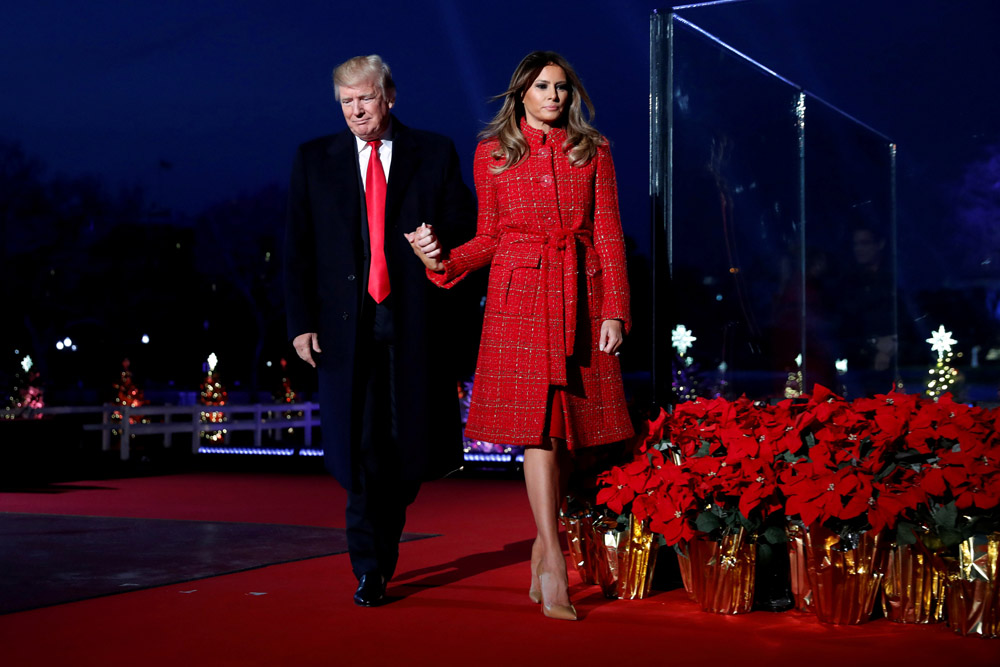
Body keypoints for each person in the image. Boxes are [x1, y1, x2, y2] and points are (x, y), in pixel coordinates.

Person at [406, 51, 634, 621]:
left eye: (561, 87)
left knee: (565, 433)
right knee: (538, 429)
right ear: (521, 94)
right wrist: (443, 262)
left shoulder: (593, 151)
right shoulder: (494, 153)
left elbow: (609, 233)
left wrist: (615, 311)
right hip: (519, 298)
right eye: (542, 87)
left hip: (580, 296)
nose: (553, 96)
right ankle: (553, 556)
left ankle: (539, 547)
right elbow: (488, 237)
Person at [284, 54, 475, 607]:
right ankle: (371, 567)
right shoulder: (313, 160)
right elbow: (296, 249)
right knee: (362, 449)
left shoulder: (434, 152)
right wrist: (300, 325)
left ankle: (386, 531)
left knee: (406, 452)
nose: (355, 110)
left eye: (364, 98)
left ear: (389, 96)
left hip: (414, 323)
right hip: (346, 329)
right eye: (345, 101)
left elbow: (465, 226)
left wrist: (438, 245)